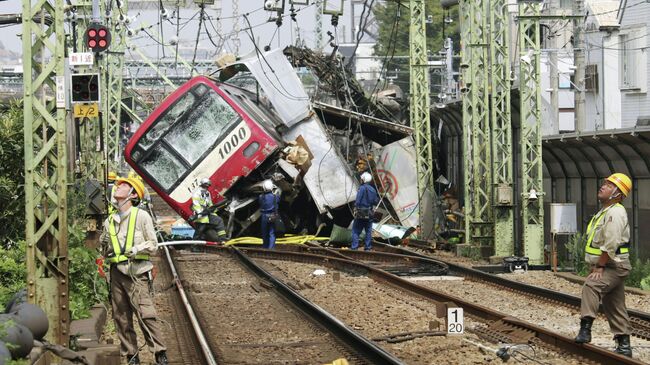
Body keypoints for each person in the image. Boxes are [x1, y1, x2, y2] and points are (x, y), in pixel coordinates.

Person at [100, 177, 168, 365]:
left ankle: (159, 353)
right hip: (116, 274)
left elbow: (153, 245)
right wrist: (103, 247)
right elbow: (105, 250)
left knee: (146, 314)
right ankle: (131, 355)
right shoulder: (109, 222)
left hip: (136, 273)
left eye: (124, 185)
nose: (118, 187)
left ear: (133, 194)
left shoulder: (141, 216)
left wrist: (137, 249)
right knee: (121, 317)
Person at [574, 173, 633, 358]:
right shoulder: (605, 212)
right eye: (605, 183)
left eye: (609, 185)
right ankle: (624, 345)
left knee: (591, 286)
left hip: (614, 266)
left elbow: (611, 243)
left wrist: (599, 266)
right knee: (614, 303)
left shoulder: (615, 212)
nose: (603, 186)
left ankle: (586, 328)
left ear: (618, 193)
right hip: (609, 265)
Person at [191, 177, 227, 242]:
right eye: (205, 186)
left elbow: (210, 204)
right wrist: (201, 213)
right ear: (202, 185)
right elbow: (196, 205)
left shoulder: (207, 193)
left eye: (208, 186)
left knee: (219, 220)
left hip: (207, 214)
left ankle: (223, 240)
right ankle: (194, 245)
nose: (207, 187)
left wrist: (214, 210)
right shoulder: (196, 193)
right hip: (200, 217)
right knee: (200, 230)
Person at [351, 172, 379, 251]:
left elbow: (358, 201)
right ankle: (367, 248)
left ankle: (354, 248)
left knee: (356, 230)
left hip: (361, 211)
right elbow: (375, 201)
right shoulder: (373, 189)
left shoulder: (362, 188)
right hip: (370, 212)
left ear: (363, 179)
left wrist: (355, 208)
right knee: (368, 231)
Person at [259, 179, 279, 249]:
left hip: (264, 216)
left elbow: (260, 203)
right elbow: (278, 202)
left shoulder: (261, 197)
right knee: (272, 233)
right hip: (272, 215)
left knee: (265, 233)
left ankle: (265, 247)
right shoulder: (275, 196)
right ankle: (271, 249)